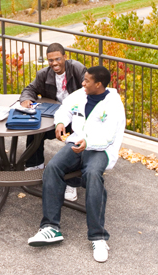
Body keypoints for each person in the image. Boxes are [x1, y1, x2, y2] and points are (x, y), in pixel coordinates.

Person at [28, 66, 126, 263]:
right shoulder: (81, 94)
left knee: (92, 175)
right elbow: (65, 108)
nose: (83, 83)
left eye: (87, 81)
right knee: (53, 167)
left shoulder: (113, 104)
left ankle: (98, 237)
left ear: (98, 84)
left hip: (100, 149)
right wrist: (60, 123)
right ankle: (50, 228)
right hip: (77, 142)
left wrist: (88, 143)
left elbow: (109, 136)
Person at [20, 42, 86, 201]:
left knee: (74, 144)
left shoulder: (77, 69)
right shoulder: (43, 74)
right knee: (35, 128)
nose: (54, 63)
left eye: (58, 59)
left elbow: (89, 91)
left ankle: (71, 182)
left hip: (76, 116)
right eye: (51, 60)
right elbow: (30, 89)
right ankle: (35, 164)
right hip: (55, 116)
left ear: (65, 57)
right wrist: (27, 99)